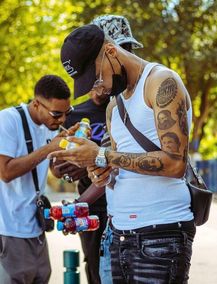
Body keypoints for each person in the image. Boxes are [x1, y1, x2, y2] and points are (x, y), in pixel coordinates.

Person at [49, 23, 195, 283]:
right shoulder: (114, 106)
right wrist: (96, 169)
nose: (100, 88)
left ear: (111, 52)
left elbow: (175, 164)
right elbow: (117, 168)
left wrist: (102, 155)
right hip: (118, 233)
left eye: (97, 77)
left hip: (159, 235)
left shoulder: (161, 83)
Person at [51, 15, 143, 284]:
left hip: (134, 213)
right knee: (98, 273)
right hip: (94, 211)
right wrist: (77, 163)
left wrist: (97, 156)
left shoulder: (137, 100)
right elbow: (58, 169)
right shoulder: (76, 114)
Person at [0, 75, 76, 284]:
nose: (61, 120)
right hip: (9, 229)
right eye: (56, 114)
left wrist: (68, 154)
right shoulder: (8, 120)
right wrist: (48, 149)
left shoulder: (49, 127)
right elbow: (5, 172)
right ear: (36, 104)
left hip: (37, 228)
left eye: (66, 113)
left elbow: (55, 172)